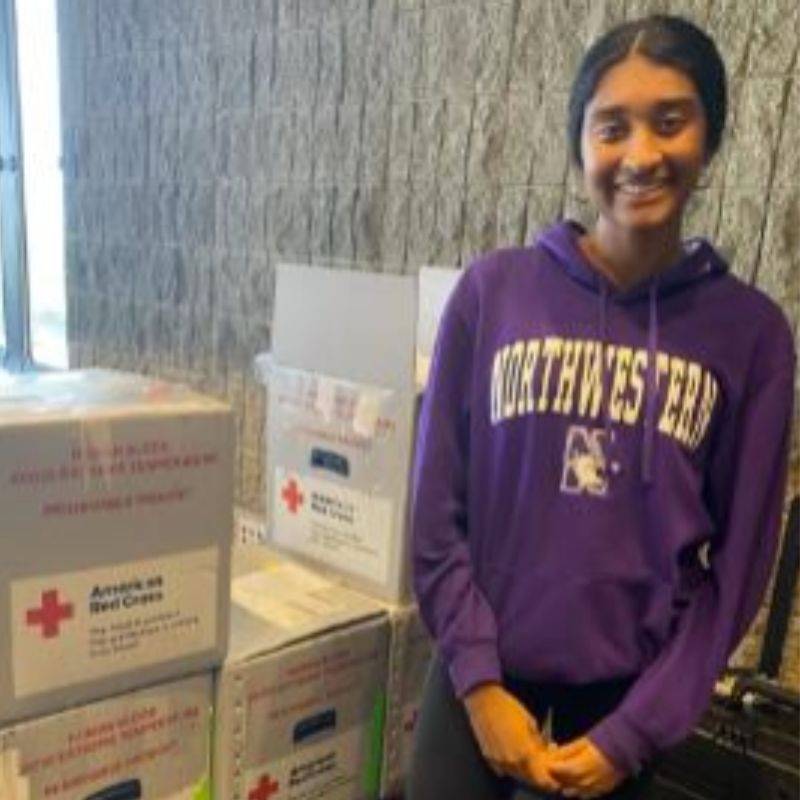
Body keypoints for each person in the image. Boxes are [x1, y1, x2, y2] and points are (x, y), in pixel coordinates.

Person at [407, 13, 796, 800]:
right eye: (612, 126)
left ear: (710, 139)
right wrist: (480, 686)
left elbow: (739, 574)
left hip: (625, 705)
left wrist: (633, 733)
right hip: (477, 684)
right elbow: (435, 515)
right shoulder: (493, 292)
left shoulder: (752, 337)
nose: (641, 154)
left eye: (671, 122)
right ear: (580, 142)